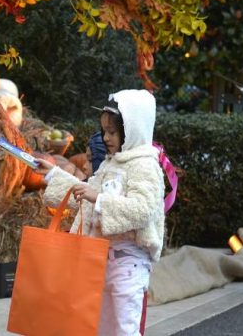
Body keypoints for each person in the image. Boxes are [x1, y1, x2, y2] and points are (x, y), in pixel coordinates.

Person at [35, 89, 165, 336]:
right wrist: (52, 173)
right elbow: (86, 193)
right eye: (104, 131)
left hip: (129, 263)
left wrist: (101, 200)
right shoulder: (111, 163)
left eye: (112, 132)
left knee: (125, 329)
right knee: (102, 328)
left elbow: (143, 209)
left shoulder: (144, 165)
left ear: (133, 129)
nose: (105, 137)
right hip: (101, 260)